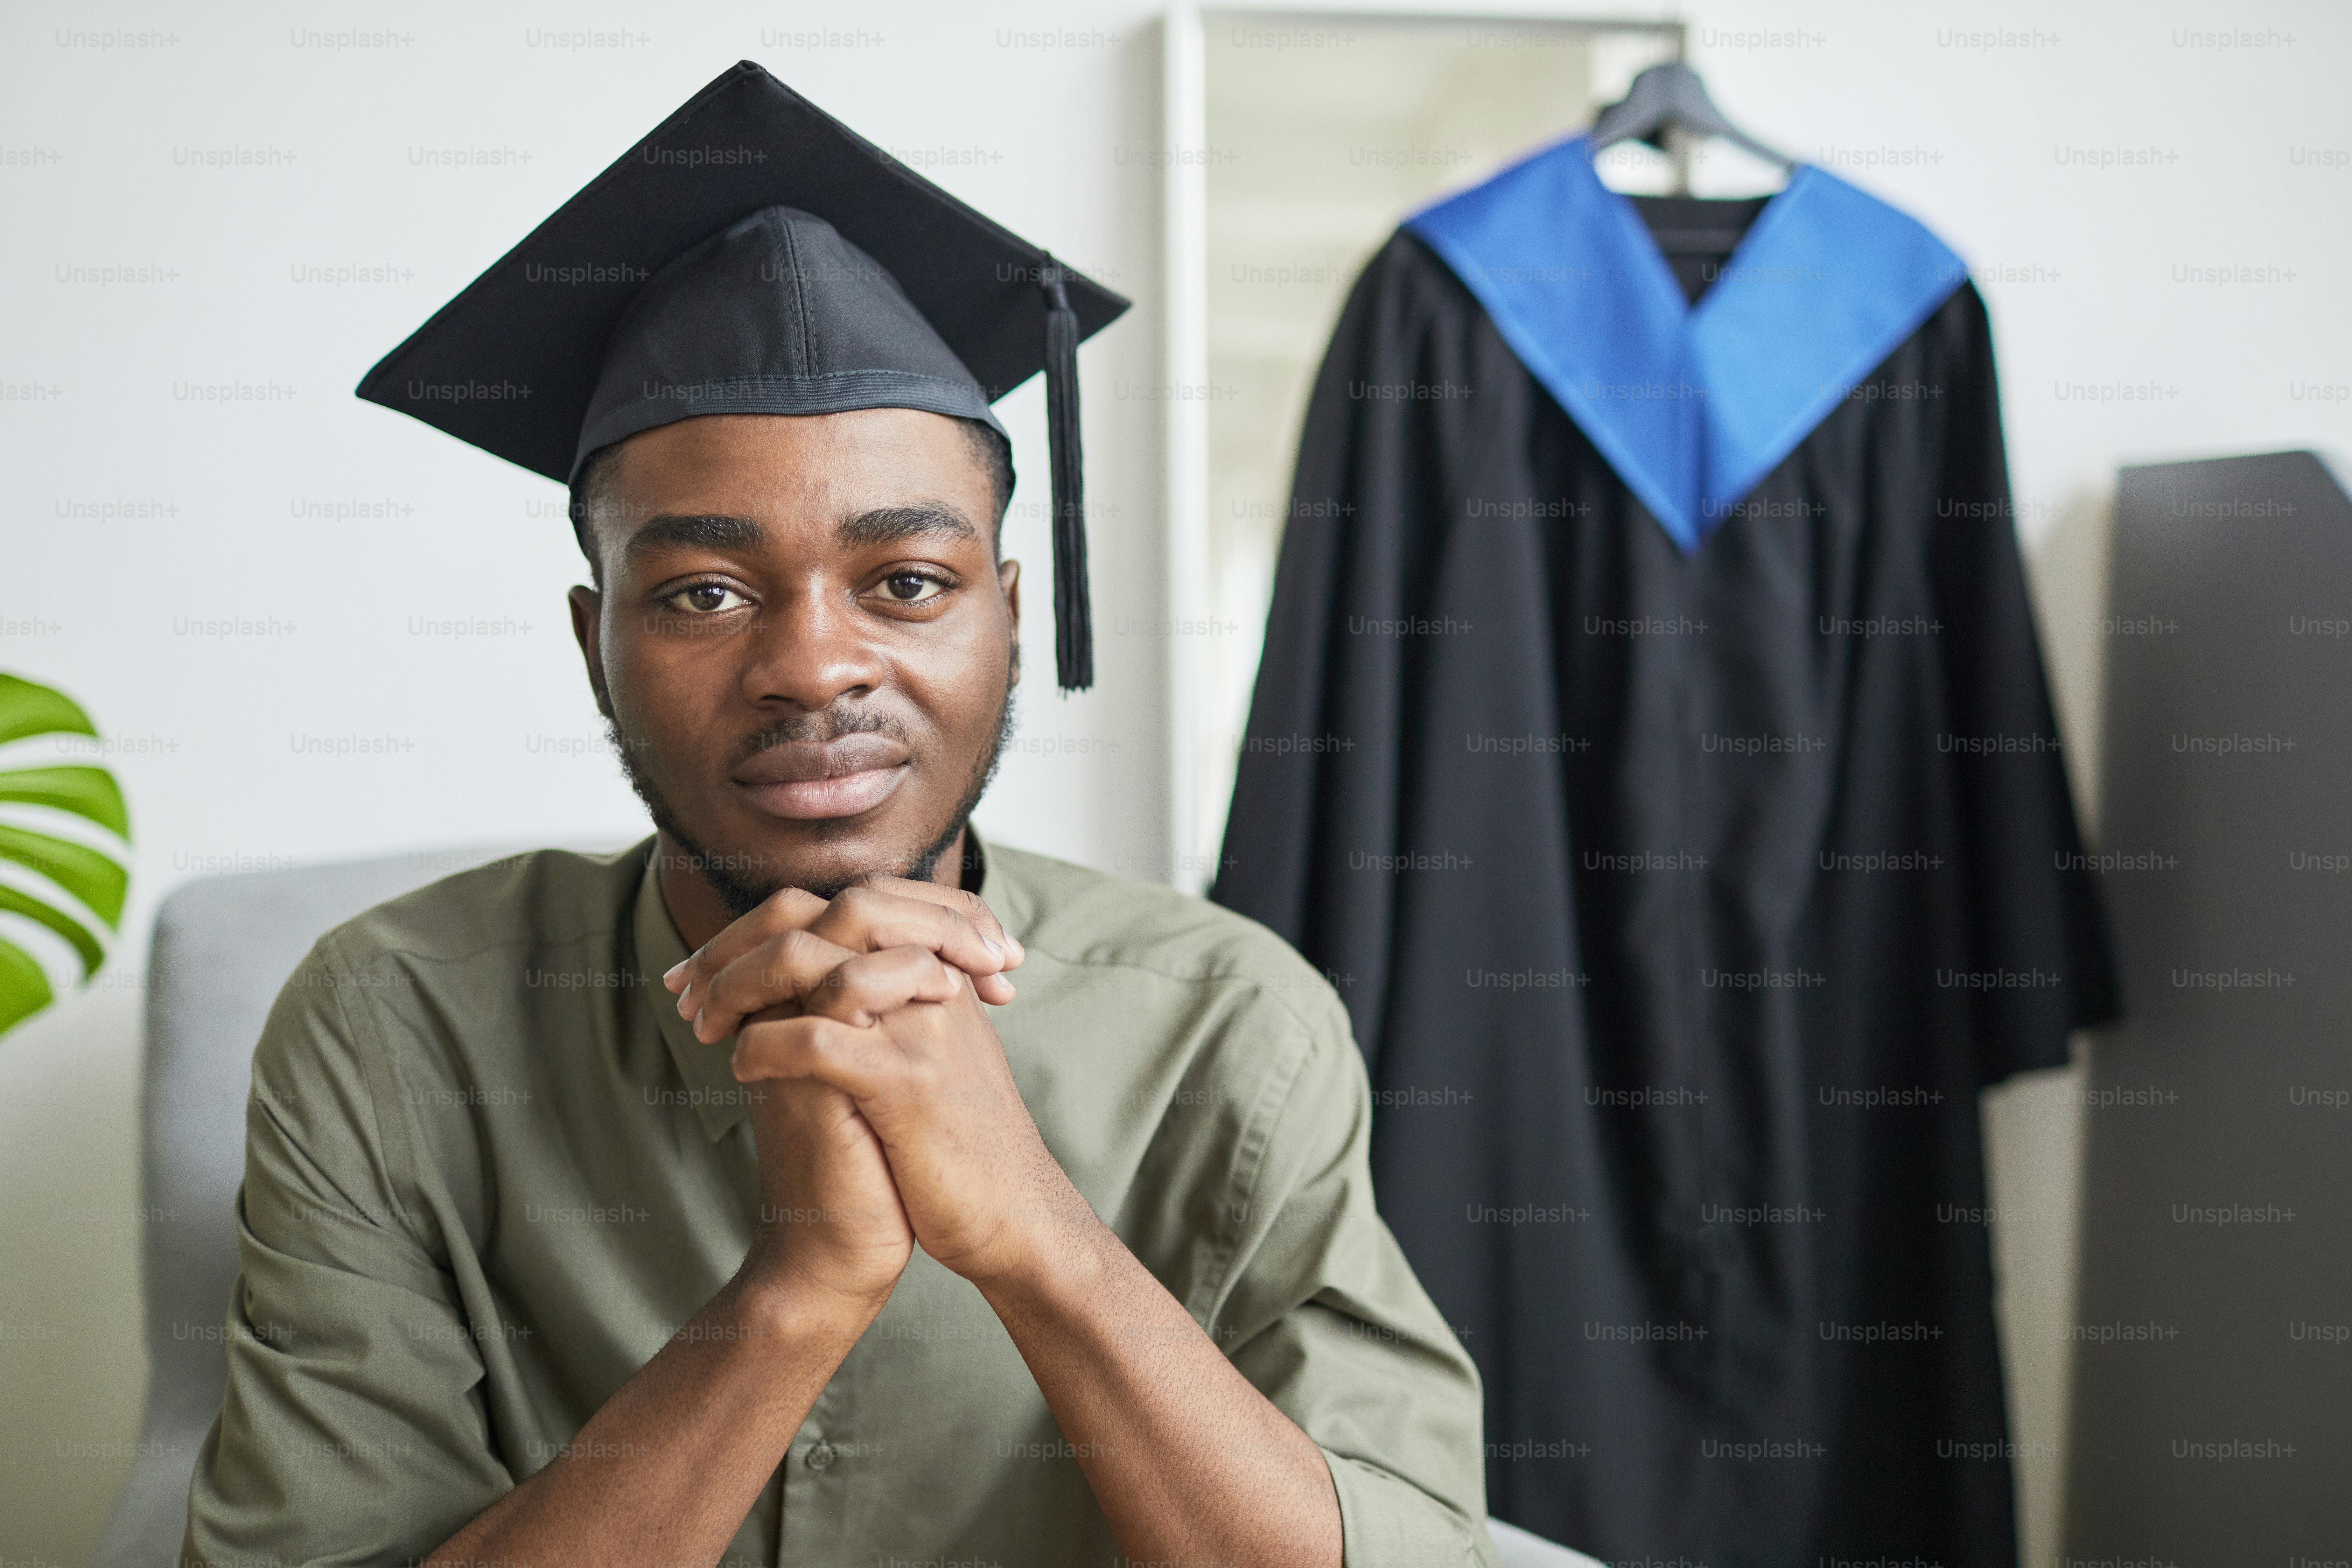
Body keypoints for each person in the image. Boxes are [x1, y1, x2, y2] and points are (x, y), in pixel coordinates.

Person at [180, 62, 1496, 1568]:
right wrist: (801, 1286)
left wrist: (1036, 1238)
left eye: (910, 582)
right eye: (704, 593)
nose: (811, 663)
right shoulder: (394, 1024)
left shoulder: (1230, 1028)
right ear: (590, 637)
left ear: (1008, 615)